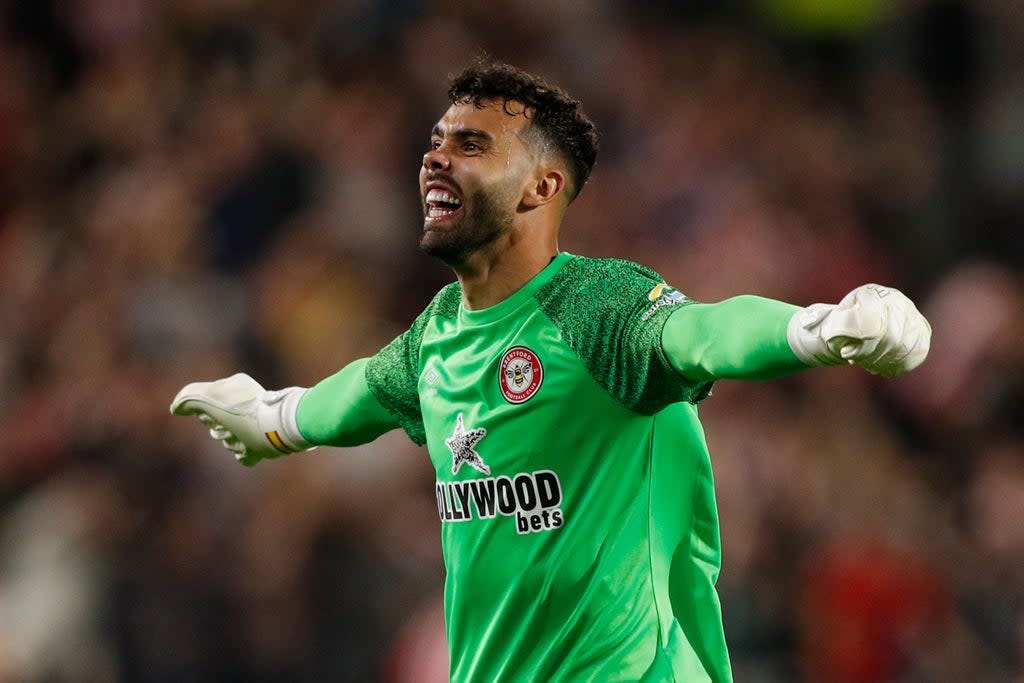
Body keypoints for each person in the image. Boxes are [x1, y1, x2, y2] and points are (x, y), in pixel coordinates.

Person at [171, 59, 931, 683]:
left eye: (472, 145)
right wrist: (275, 418)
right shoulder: (438, 333)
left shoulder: (593, 304)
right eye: (437, 141)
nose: (435, 156)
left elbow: (701, 332)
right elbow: (364, 389)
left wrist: (815, 327)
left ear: (541, 187)